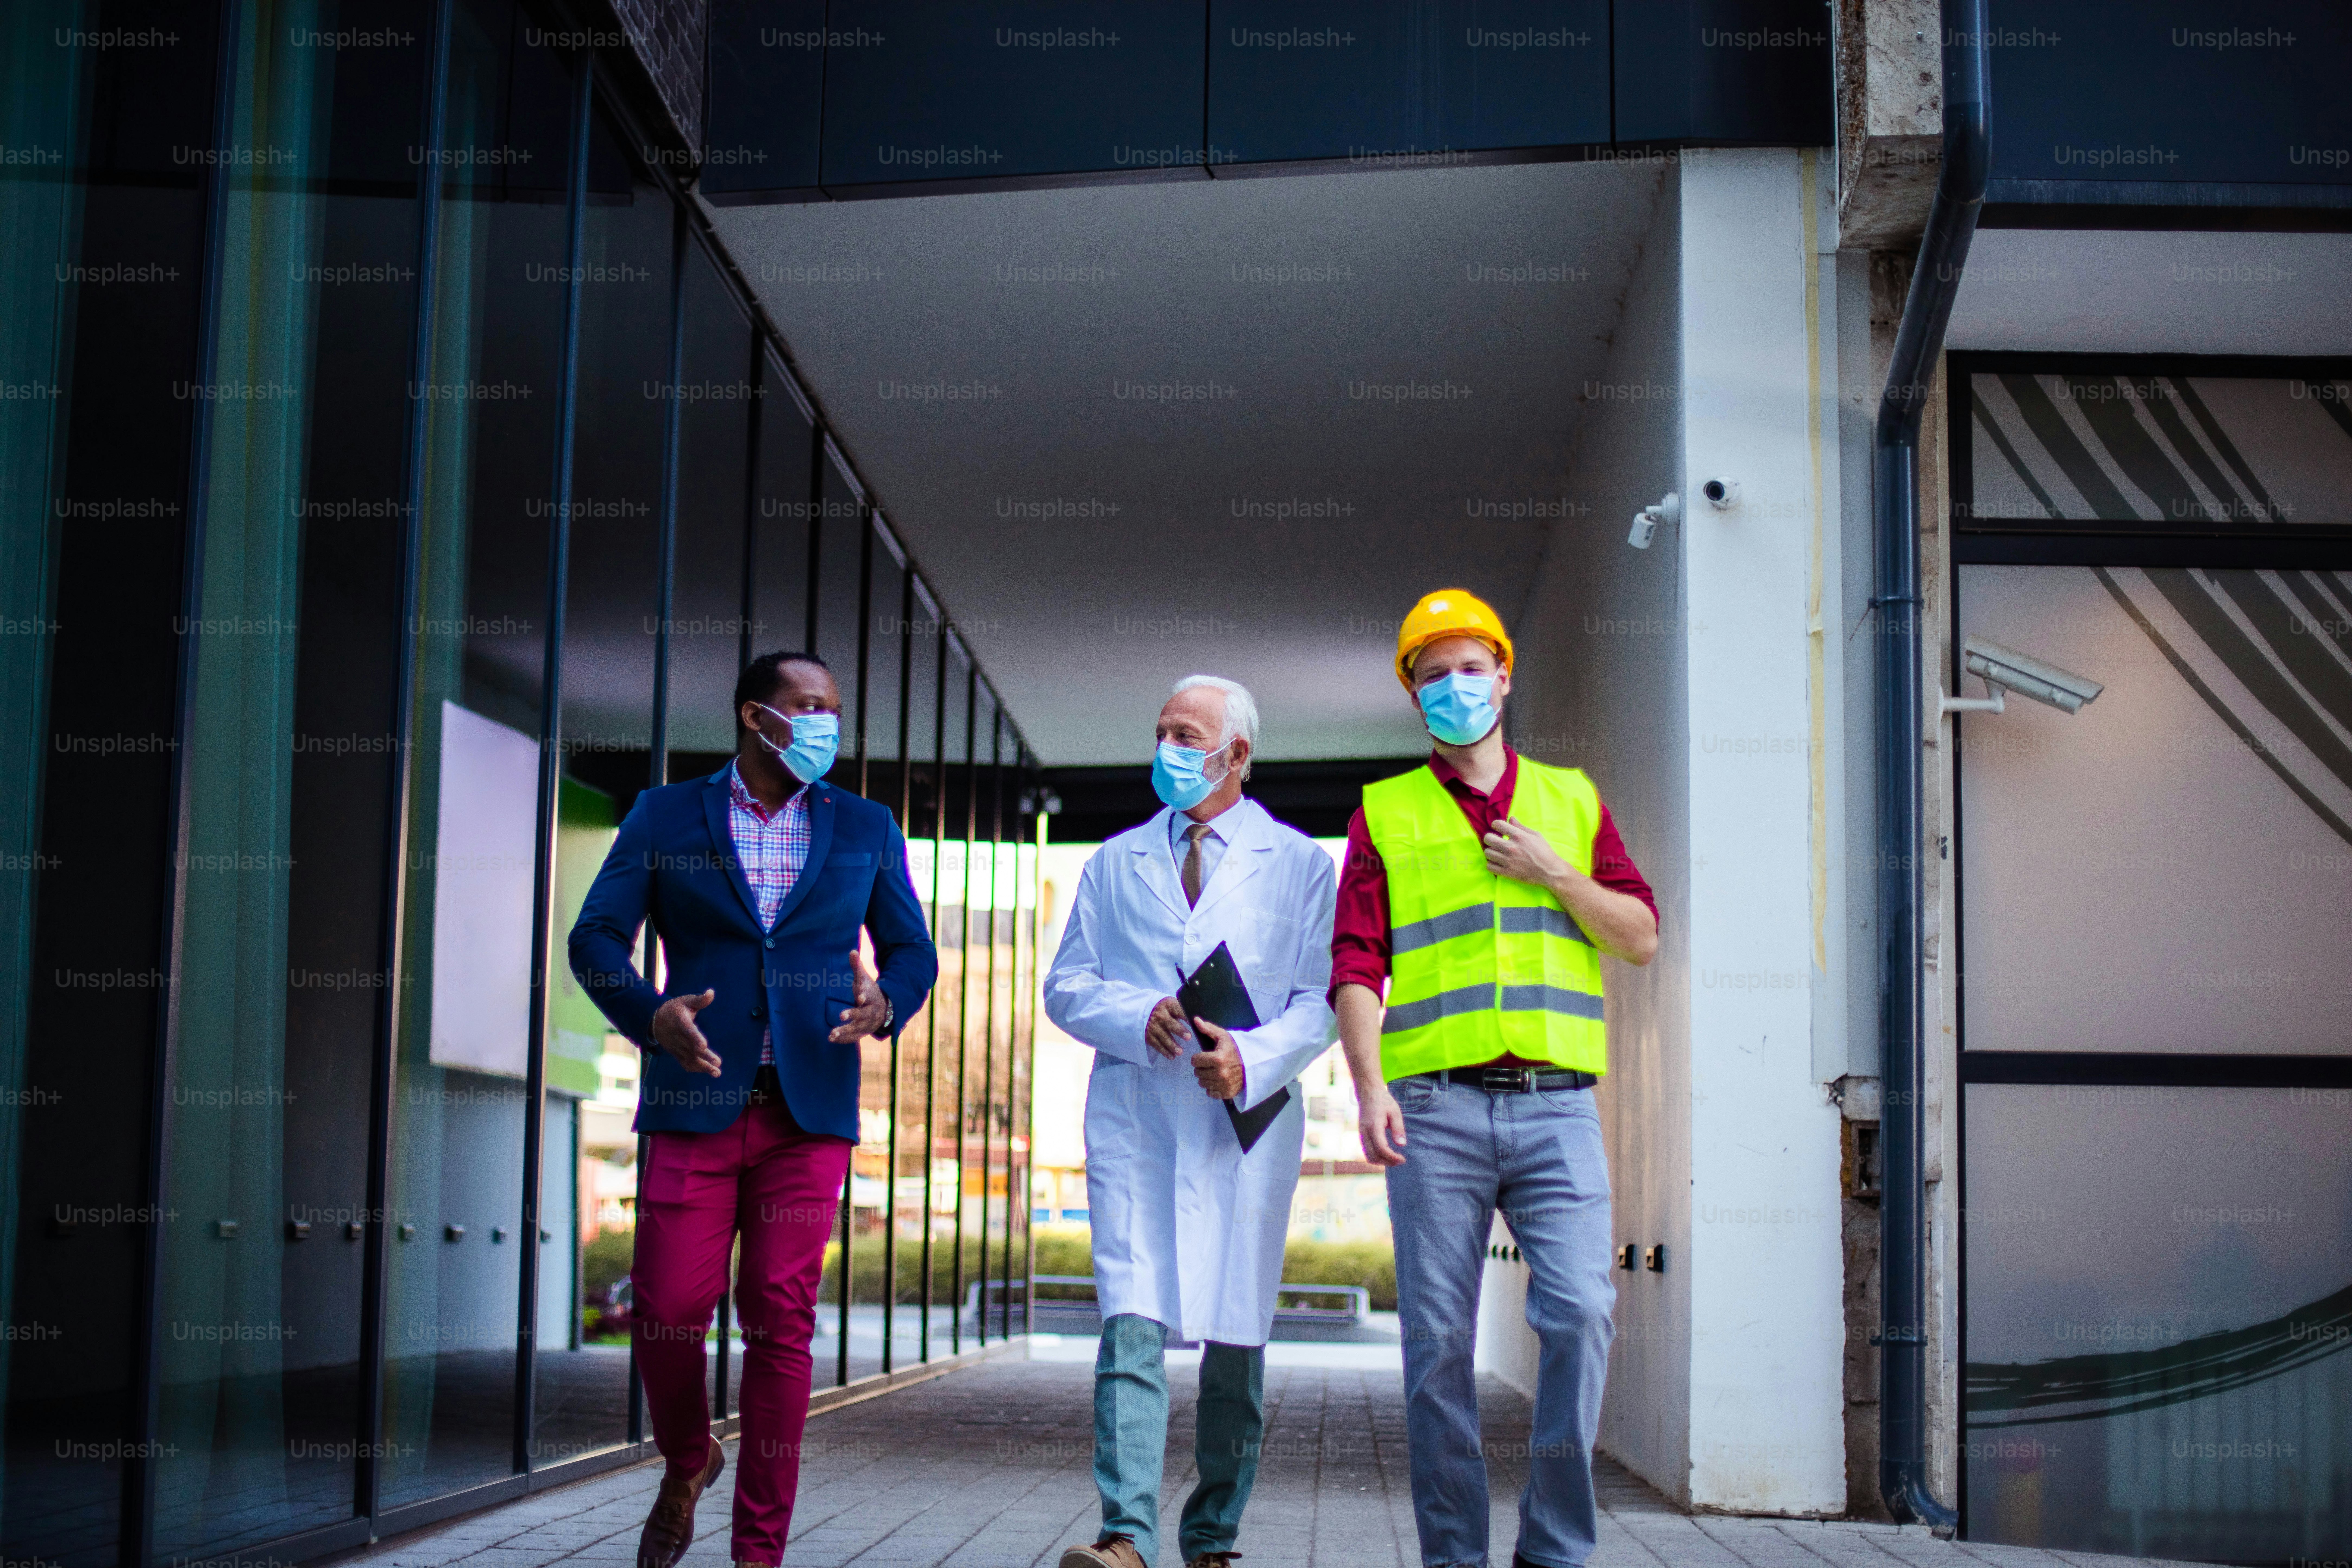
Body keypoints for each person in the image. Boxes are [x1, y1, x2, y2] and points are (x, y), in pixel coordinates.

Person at [568, 650, 937, 1568]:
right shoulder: (665, 814)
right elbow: (596, 935)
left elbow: (911, 948)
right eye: (806, 707)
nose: (825, 725)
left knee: (781, 1321)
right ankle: (690, 1460)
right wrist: (647, 1015)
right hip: (695, 1097)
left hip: (806, 1112)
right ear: (754, 716)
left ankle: (757, 1553)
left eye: (835, 711)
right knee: (667, 1308)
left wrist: (887, 999)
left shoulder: (865, 825)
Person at [1331, 590, 1658, 1568]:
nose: (1454, 687)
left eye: (1470, 669)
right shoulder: (1383, 812)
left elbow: (1640, 936)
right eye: (1432, 676)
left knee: (1583, 1312)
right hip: (1432, 1108)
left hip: (1557, 1107)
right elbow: (1354, 965)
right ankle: (1455, 1559)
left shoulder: (1571, 800)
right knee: (1435, 1344)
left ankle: (1553, 1547)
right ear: (1414, 696)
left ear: (1505, 677)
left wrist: (1557, 872)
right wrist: (1364, 1086)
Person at [1044, 675, 1338, 1568]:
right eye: (1162, 730)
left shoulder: (1299, 864)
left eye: (1188, 734)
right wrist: (1136, 1015)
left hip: (1240, 1125)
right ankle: (1124, 1537)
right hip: (1137, 1117)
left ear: (1236, 754)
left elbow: (1321, 998)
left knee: (1234, 1334)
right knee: (1129, 1321)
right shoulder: (1113, 859)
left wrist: (1251, 1058)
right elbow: (1066, 985)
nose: (1168, 746)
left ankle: (1212, 1536)